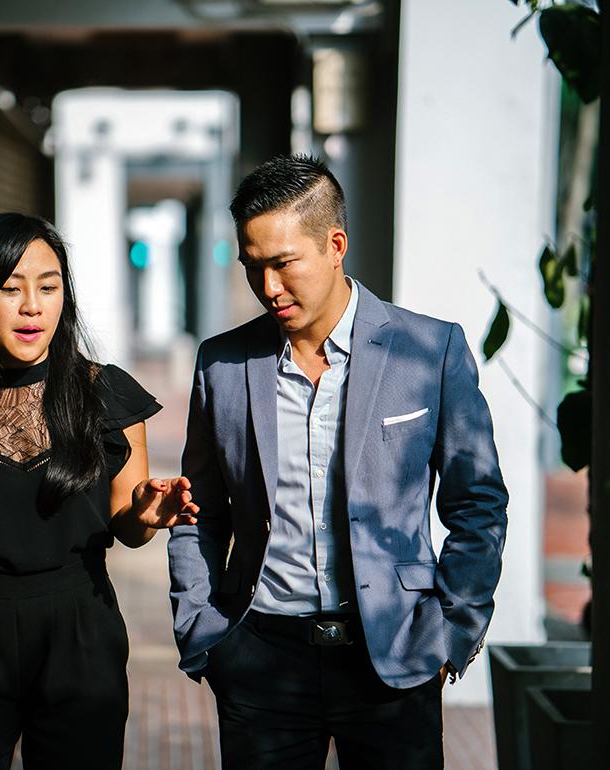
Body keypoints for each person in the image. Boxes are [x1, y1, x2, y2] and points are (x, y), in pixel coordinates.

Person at [167, 155, 508, 769]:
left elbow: (477, 502)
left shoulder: (429, 351)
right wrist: (202, 627)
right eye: (253, 267)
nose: (268, 287)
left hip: (393, 656)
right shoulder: (223, 364)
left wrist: (452, 631)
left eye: (282, 263)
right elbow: (199, 511)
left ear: (335, 245)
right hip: (260, 657)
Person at [0, 212, 197, 770]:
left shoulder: (108, 395)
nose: (33, 306)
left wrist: (148, 512)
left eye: (49, 288)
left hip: (80, 631)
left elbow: (128, 524)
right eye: (10, 289)